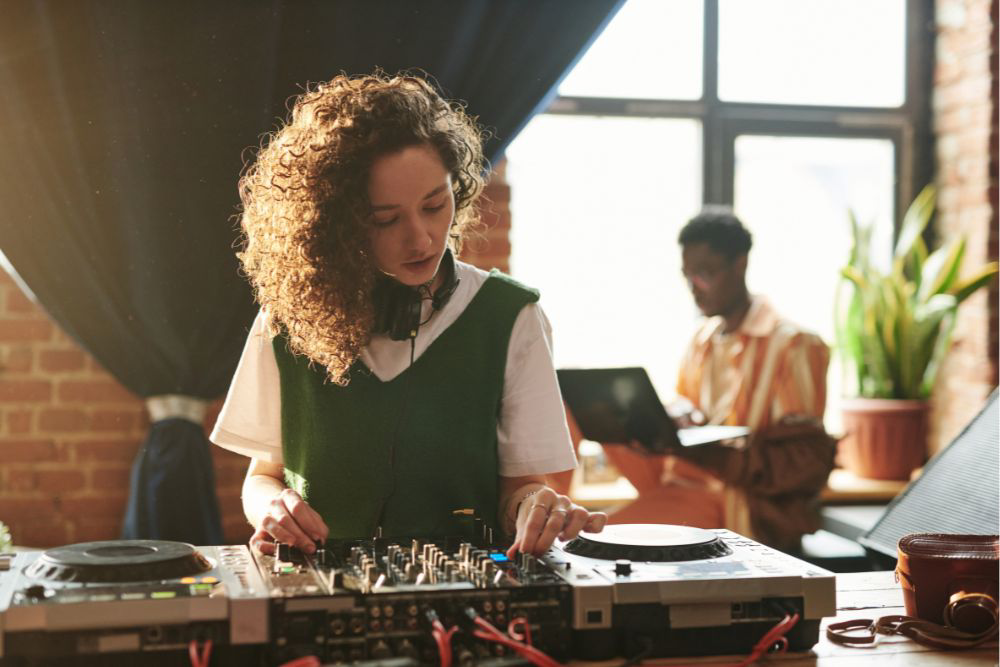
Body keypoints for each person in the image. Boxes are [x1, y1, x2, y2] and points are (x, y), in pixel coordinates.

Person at [210, 72, 607, 558]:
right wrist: (272, 507)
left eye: (435, 205)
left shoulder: (512, 317)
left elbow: (520, 489)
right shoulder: (286, 317)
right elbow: (263, 477)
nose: (421, 238)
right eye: (386, 219)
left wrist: (534, 507)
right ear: (335, 224)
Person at [559, 207, 833, 548]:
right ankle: (547, 509)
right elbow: (686, 401)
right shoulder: (702, 340)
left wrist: (711, 454)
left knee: (590, 540)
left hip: (729, 496)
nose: (694, 288)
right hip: (680, 471)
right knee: (573, 402)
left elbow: (802, 460)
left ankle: (556, 538)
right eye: (687, 276)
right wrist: (678, 412)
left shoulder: (794, 345)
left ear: (741, 264)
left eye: (705, 273)